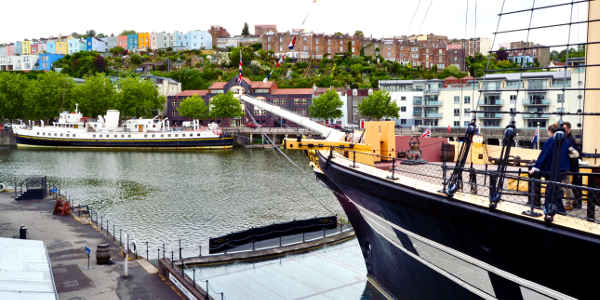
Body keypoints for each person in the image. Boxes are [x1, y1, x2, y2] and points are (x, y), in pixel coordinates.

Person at [529, 123, 574, 214]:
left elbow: (544, 154)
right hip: (562, 170)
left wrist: (536, 167)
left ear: (551, 132)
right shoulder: (566, 142)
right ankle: (558, 209)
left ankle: (551, 209)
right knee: (556, 189)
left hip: (551, 169)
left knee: (551, 190)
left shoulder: (551, 141)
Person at [563, 122, 582, 209]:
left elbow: (573, 153)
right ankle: (574, 201)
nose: (564, 130)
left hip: (571, 165)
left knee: (568, 184)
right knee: (570, 184)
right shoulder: (568, 138)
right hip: (571, 164)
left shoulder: (569, 139)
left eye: (565, 128)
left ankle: (571, 202)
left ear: (569, 129)